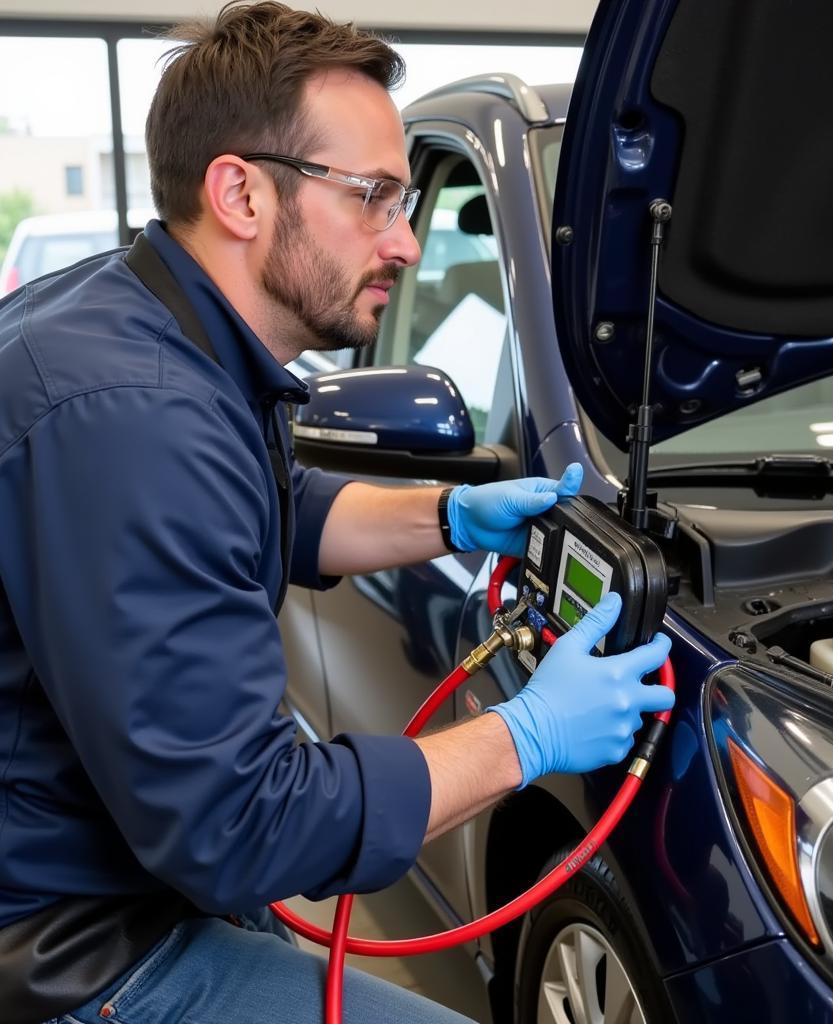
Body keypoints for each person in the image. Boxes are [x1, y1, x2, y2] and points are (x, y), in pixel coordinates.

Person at [0, 4, 675, 1023]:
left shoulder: (139, 320)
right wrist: (525, 735)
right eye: (374, 198)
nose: (404, 243)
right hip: (68, 944)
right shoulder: (136, 419)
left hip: (117, 865)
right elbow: (245, 827)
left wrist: (450, 516)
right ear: (240, 193)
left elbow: (269, 503)